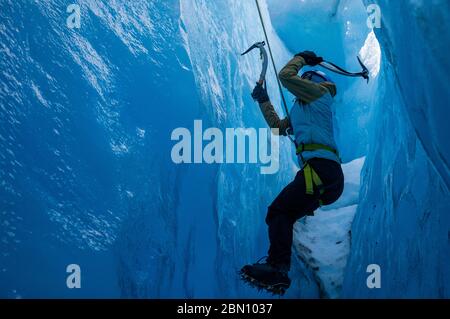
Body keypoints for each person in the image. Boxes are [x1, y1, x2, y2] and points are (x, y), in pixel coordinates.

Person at [240, 51, 345, 294]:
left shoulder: (320, 95)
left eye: (307, 77)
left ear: (316, 82)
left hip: (322, 169)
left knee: (279, 211)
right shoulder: (302, 109)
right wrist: (264, 100)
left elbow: (286, 76)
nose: (304, 80)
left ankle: (277, 267)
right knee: (282, 215)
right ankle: (278, 271)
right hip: (325, 177)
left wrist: (300, 58)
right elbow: (278, 128)